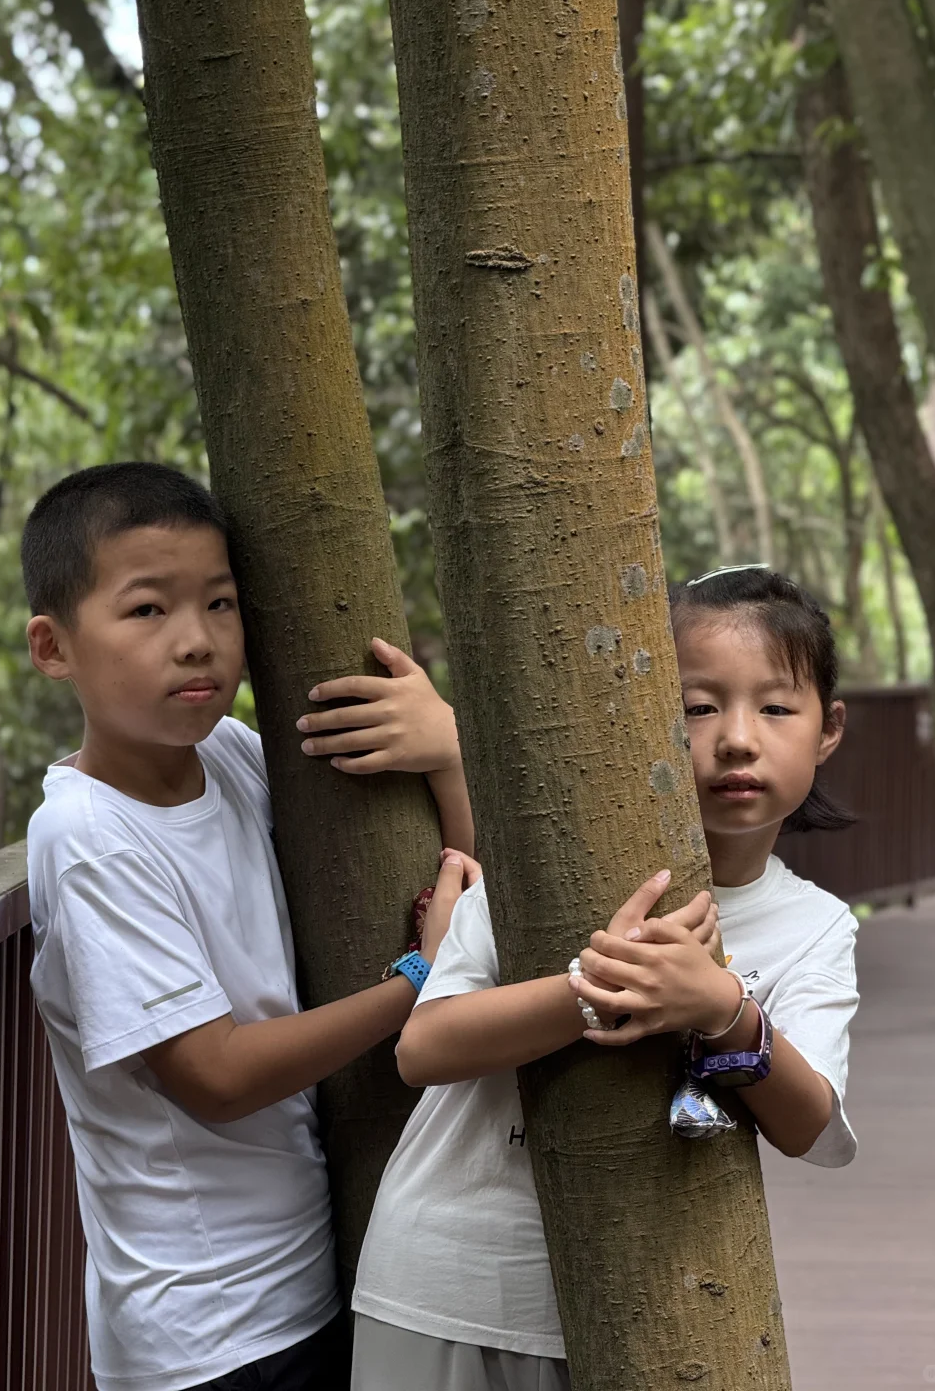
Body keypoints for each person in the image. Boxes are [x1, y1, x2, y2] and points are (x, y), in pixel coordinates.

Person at [296, 565, 860, 1391]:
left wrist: (723, 1010)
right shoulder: (539, 871)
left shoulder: (814, 926)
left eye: (775, 707)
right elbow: (424, 1047)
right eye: (698, 707)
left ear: (828, 728)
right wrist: (596, 987)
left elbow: (816, 1129)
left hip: (646, 1309)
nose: (737, 737)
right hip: (443, 1284)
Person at [22, 461, 459, 1391]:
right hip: (210, 1327)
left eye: (220, 604)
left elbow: (461, 881)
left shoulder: (229, 756)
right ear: (53, 647)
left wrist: (446, 748)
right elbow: (214, 1077)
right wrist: (415, 982)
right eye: (148, 611)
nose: (198, 642)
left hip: (314, 1271)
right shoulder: (87, 838)